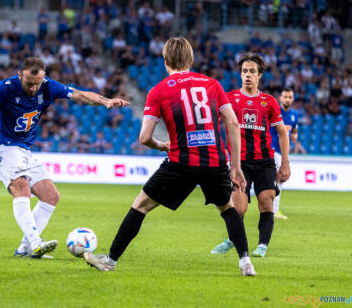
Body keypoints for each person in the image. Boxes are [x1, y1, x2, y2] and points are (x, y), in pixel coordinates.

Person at [0, 57, 129, 259]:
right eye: (29, 83)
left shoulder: (48, 86)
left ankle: (25, 248)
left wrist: (105, 101)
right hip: (2, 147)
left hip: (24, 149)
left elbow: (80, 95)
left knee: (50, 196)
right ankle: (36, 242)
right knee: (21, 188)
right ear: (20, 75)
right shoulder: (5, 88)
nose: (34, 88)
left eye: (37, 83)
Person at [84, 37, 257, 276]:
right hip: (215, 161)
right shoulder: (212, 85)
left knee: (140, 206)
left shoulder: (159, 91)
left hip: (181, 161)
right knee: (227, 207)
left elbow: (144, 137)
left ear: (165, 60)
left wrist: (162, 145)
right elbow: (233, 124)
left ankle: (110, 260)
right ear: (191, 59)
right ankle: (246, 262)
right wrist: (236, 167)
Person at [211, 52, 291, 258]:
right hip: (240, 163)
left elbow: (282, 132)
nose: (248, 75)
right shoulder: (228, 99)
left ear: (260, 76)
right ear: (240, 74)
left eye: (252, 71)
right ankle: (232, 238)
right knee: (238, 209)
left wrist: (285, 164)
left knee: (267, 201)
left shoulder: (269, 102)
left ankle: (262, 245)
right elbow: (211, 124)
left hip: (265, 162)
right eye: (244, 71)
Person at [269, 88, 298, 219]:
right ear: (280, 98)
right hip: (273, 149)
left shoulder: (294, 115)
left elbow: (294, 130)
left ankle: (273, 209)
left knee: (276, 180)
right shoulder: (274, 112)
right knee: (279, 179)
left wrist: (294, 136)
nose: (287, 99)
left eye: (290, 97)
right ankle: (274, 211)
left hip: (283, 152)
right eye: (285, 97)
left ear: (293, 99)